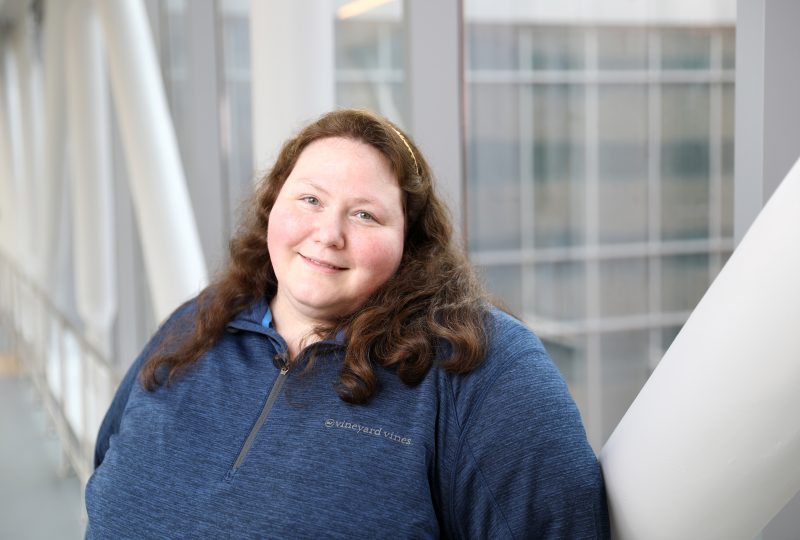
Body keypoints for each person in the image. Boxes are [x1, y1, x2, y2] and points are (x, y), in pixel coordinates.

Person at [85, 109, 609, 538]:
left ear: (412, 242)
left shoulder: (480, 364)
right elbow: (108, 460)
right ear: (273, 209)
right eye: (309, 200)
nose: (328, 233)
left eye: (365, 215)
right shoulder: (198, 322)